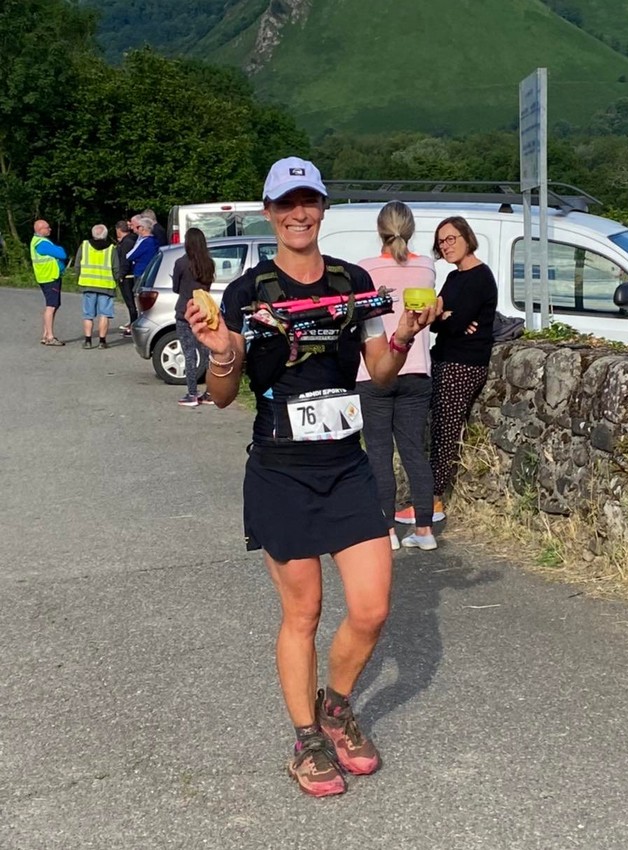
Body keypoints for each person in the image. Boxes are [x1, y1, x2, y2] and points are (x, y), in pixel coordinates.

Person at [185, 156, 437, 798]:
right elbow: (224, 395)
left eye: (309, 201)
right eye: (286, 203)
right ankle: (307, 741)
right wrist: (221, 355)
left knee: (372, 608)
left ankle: (336, 707)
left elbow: (380, 370)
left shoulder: (355, 282)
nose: (299, 214)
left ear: (323, 208)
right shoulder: (248, 292)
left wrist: (404, 336)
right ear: (269, 212)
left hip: (347, 464)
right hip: (281, 469)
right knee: (304, 612)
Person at [355, 201, 438, 552]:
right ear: (411, 228)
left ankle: (387, 529)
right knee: (414, 451)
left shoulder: (364, 269)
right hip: (416, 369)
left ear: (379, 231)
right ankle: (424, 529)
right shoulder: (427, 267)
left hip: (373, 371)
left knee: (378, 452)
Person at [428, 216, 498, 519]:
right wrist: (445, 318)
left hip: (464, 363)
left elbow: (453, 322)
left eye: (450, 239)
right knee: (435, 426)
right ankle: (427, 494)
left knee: (446, 428)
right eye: (441, 242)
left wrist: (448, 318)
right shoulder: (454, 277)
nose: (445, 246)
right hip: (443, 357)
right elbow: (434, 319)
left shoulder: (480, 277)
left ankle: (434, 499)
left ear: (467, 237)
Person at [172, 227, 214, 407]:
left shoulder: (181, 263)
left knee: (189, 354)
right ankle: (210, 392)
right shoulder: (209, 263)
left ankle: (192, 394)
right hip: (203, 312)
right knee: (208, 353)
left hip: (184, 312)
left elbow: (175, 288)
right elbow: (208, 286)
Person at [74, 224, 119, 350]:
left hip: (88, 284)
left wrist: (78, 278)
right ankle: (102, 341)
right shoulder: (111, 248)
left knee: (88, 314)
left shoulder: (84, 245)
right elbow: (116, 268)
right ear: (105, 235)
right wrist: (116, 280)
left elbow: (77, 265)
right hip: (106, 286)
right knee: (104, 314)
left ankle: (88, 341)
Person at [30, 220, 67, 346]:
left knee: (53, 305)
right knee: (51, 306)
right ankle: (50, 336)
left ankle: (46, 334)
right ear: (40, 230)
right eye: (47, 227)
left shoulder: (36, 241)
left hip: (45, 277)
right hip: (50, 277)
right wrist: (59, 249)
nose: (50, 229)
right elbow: (62, 254)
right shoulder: (42, 243)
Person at [115, 220, 138, 335]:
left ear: (119, 230)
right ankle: (132, 322)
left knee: (130, 302)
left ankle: (133, 325)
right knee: (131, 303)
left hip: (127, 276)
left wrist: (121, 275)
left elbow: (125, 260)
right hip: (129, 275)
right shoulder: (130, 240)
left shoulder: (127, 242)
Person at [126, 216, 159, 286]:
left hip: (140, 272)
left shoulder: (144, 241)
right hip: (151, 272)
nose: (137, 229)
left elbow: (129, 256)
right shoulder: (155, 241)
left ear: (142, 228)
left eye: (138, 227)